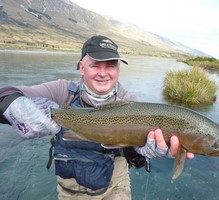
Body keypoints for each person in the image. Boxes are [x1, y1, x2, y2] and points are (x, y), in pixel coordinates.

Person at [0, 35, 194, 200]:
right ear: (82, 68)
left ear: (118, 69)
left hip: (115, 187)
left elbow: (134, 156)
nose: (103, 73)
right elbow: (6, 94)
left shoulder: (130, 102)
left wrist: (141, 151)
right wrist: (14, 105)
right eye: (95, 65)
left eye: (110, 66)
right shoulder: (61, 91)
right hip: (69, 190)